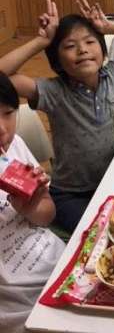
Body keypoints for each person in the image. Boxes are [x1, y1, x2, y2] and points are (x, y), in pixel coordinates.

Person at [0, 0, 114, 233]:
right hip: (71, 195)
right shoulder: (53, 92)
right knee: (104, 233)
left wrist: (108, 26)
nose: (82, 50)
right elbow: (2, 76)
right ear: (57, 61)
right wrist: (41, 41)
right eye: (70, 46)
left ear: (102, 50)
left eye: (90, 41)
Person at [0, 72, 65, 333]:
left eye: (8, 113)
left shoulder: (14, 145)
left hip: (59, 263)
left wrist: (33, 207)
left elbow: (47, 215)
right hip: (19, 305)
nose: (2, 129)